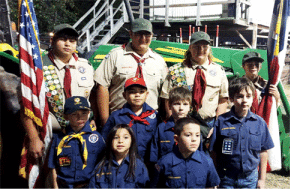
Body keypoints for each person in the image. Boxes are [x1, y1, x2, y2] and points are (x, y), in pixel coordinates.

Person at [20, 24, 95, 160]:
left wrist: (93, 118)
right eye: (63, 39)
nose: (67, 44)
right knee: (51, 179)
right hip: (50, 135)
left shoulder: (86, 67)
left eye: (72, 41)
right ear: (52, 41)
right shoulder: (39, 68)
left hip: (82, 133)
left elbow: (91, 97)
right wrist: (33, 138)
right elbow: (26, 107)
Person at [94, 18, 168, 127]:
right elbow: (102, 86)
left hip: (150, 121)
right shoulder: (116, 55)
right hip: (120, 119)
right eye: (138, 34)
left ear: (152, 36)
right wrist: (105, 121)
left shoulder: (159, 61)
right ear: (130, 34)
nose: (143, 39)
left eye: (147, 35)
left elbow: (164, 94)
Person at [160, 31, 229, 150]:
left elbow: (223, 100)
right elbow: (167, 99)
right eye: (196, 46)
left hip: (209, 126)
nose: (200, 49)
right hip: (183, 125)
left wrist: (217, 125)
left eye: (204, 46)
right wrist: (175, 125)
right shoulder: (176, 71)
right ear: (190, 47)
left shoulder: (219, 71)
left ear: (209, 49)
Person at [209, 77, 274, 189]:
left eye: (248, 96)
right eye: (239, 96)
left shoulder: (259, 123)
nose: (244, 100)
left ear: (253, 98)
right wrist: (215, 177)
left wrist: (262, 179)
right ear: (231, 98)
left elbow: (263, 152)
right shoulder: (221, 121)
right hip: (226, 178)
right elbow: (214, 152)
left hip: (250, 179)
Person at [47, 96, 106, 188]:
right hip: (64, 186)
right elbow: (53, 167)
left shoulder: (96, 138)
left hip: (89, 186)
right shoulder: (59, 138)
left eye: (84, 113)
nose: (80, 117)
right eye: (74, 114)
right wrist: (55, 187)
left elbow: (103, 164)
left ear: (89, 113)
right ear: (65, 116)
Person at [150, 117, 220, 188]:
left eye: (197, 135)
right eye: (188, 135)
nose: (194, 139)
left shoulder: (207, 161)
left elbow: (211, 186)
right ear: (176, 139)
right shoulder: (164, 163)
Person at [101, 77, 158, 162]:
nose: (137, 95)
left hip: (148, 164)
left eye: (141, 92)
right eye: (132, 92)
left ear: (146, 95)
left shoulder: (155, 116)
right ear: (124, 95)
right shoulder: (116, 116)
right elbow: (105, 140)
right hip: (122, 162)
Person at [89, 124, 149, 188]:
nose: (120, 141)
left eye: (125, 137)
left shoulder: (139, 167)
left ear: (132, 141)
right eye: (116, 137)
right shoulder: (101, 167)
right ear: (110, 141)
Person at [150, 86, 192, 163]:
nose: (181, 108)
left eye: (185, 104)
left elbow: (200, 154)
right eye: (177, 104)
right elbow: (154, 156)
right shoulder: (161, 128)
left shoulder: (194, 128)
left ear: (190, 107)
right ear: (169, 106)